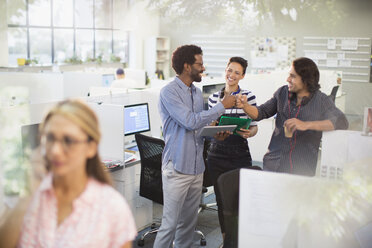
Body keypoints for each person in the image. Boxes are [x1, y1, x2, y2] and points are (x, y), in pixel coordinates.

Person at [17, 99, 137, 248]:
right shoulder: (32, 197)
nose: (55, 151)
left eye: (68, 141)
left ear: (91, 147)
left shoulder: (111, 208)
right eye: (50, 138)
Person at [154, 45, 236, 248]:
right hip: (177, 167)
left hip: (196, 167)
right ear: (186, 66)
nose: (203, 68)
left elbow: (198, 129)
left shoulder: (197, 93)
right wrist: (221, 107)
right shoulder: (168, 92)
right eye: (199, 64)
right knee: (169, 225)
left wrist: (216, 135)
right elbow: (189, 121)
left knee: (188, 225)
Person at [237, 57, 349, 176]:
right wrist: (245, 106)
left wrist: (306, 125)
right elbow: (261, 112)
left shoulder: (321, 100)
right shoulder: (282, 93)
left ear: (306, 80)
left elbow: (341, 122)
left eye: (293, 76)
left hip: (301, 170)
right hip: (273, 164)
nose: (287, 79)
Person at [206, 56, 259, 242]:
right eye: (230, 70)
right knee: (222, 202)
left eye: (237, 72)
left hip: (239, 153)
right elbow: (210, 126)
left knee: (241, 201)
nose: (232, 75)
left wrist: (248, 133)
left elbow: (254, 126)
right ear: (225, 70)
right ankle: (225, 241)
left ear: (242, 76)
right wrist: (214, 130)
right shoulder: (214, 98)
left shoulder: (248, 97)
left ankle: (241, 241)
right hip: (217, 153)